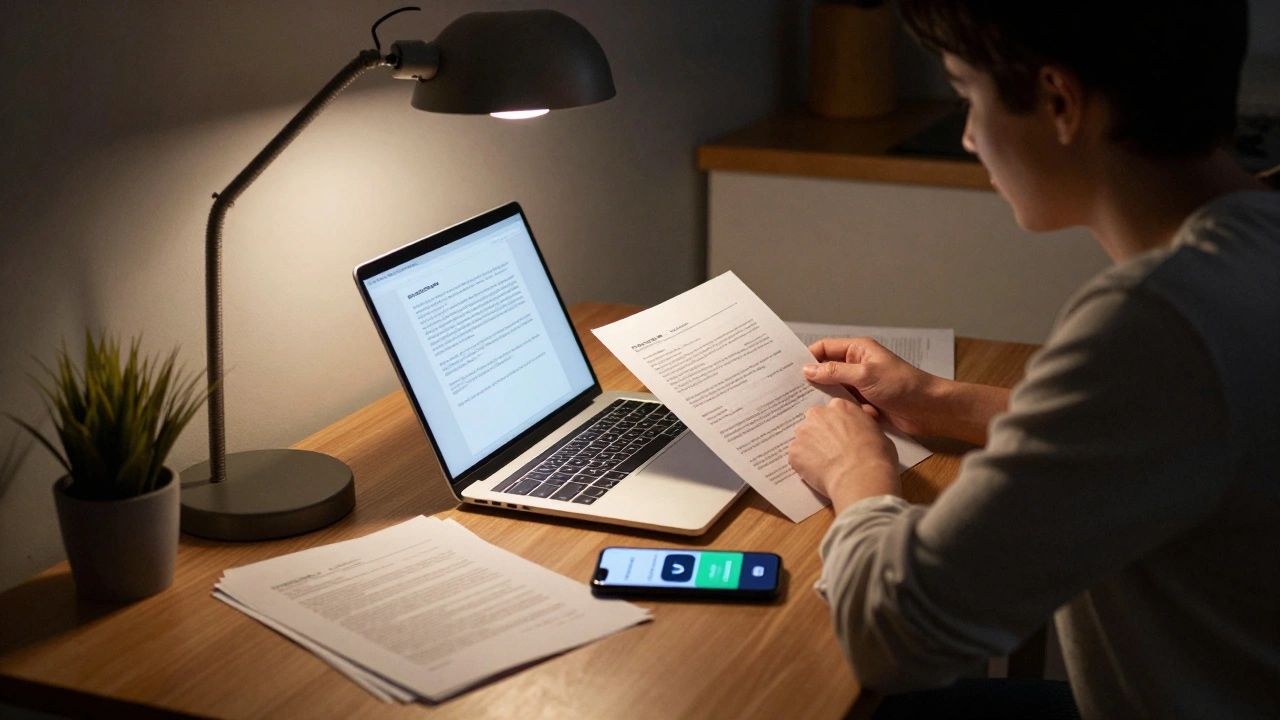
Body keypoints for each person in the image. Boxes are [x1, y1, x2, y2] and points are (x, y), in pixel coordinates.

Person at [785, 1, 1280, 718]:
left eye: (967, 97)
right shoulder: (1252, 236)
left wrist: (856, 470)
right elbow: (1170, 429)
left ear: (1058, 101)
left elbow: (898, 633)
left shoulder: (1158, 321)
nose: (967, 137)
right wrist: (941, 400)